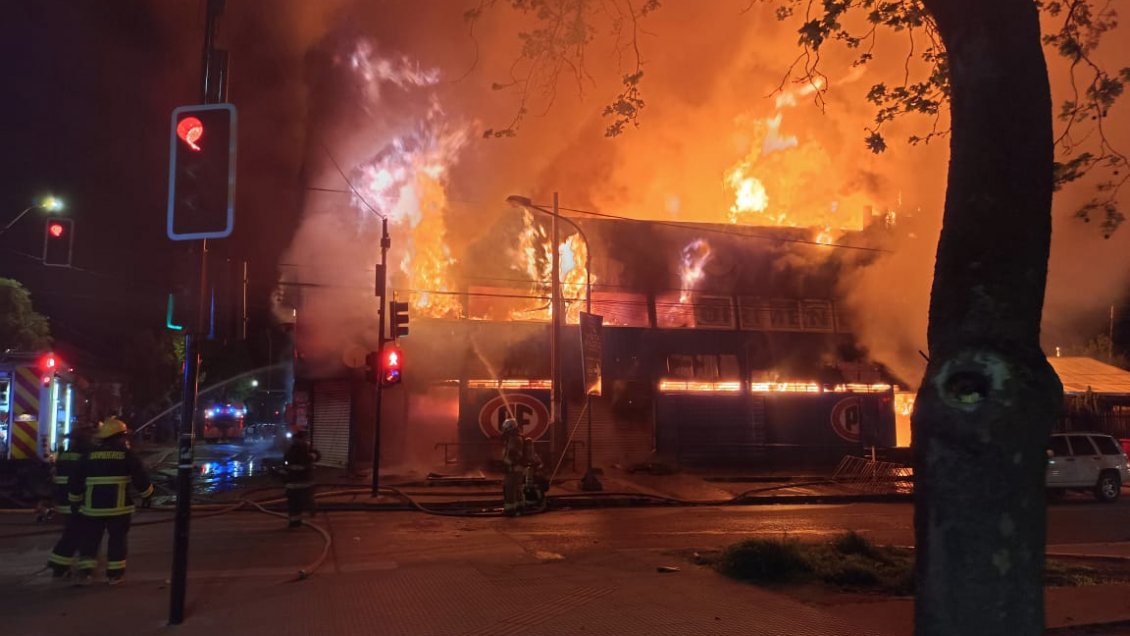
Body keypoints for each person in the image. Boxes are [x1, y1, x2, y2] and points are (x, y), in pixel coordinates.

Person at [68, 416, 153, 586]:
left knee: (90, 540)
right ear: (119, 436)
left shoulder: (89, 455)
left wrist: (75, 501)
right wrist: (147, 495)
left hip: (93, 508)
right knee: (117, 540)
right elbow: (140, 477)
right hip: (119, 509)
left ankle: (85, 574)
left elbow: (76, 479)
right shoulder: (126, 455)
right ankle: (114, 575)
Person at [45, 423, 97, 580]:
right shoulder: (85, 457)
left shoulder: (65, 455)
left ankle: (61, 566)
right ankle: (80, 568)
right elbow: (83, 481)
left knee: (72, 533)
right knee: (84, 535)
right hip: (79, 502)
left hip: (65, 502)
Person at [283, 429, 320, 528]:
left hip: (292, 484)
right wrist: (312, 456)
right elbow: (313, 457)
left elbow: (286, 460)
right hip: (304, 483)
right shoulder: (304, 448)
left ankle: (294, 522)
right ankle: (311, 509)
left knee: (294, 505)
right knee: (305, 499)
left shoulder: (291, 449)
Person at [500, 417, 528, 516]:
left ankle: (510, 510)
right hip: (517, 468)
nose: (504, 431)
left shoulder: (514, 439)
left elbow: (513, 454)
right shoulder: (517, 437)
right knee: (517, 489)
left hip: (513, 468)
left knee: (509, 488)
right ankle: (520, 508)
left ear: (509, 428)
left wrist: (507, 463)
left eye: (505, 428)